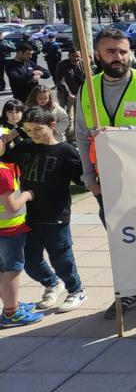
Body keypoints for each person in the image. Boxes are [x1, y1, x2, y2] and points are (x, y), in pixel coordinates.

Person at [74, 28, 136, 321]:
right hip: (108, 183)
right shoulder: (87, 89)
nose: (118, 57)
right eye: (110, 51)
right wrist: (88, 178)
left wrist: (124, 133)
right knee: (123, 241)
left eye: (122, 51)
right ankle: (131, 289)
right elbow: (81, 136)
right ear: (96, 54)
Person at [2, 107, 85, 313]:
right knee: (30, 261)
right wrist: (15, 134)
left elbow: (81, 179)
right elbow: (3, 155)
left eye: (38, 129)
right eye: (28, 130)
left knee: (61, 257)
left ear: (52, 125)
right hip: (30, 216)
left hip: (56, 215)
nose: (33, 134)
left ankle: (76, 290)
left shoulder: (65, 151)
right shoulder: (26, 146)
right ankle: (52, 284)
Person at [0, 135, 39, 328]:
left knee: (2, 270)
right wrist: (27, 194)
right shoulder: (3, 172)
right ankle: (11, 313)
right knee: (12, 270)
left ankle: (10, 305)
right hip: (9, 230)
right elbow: (12, 206)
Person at [54, 51, 85, 144]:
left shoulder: (83, 64)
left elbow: (88, 77)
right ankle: (70, 138)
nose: (76, 58)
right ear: (69, 56)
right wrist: (68, 94)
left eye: (78, 56)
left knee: (79, 116)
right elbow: (60, 81)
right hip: (66, 93)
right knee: (69, 116)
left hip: (79, 93)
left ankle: (76, 135)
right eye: (73, 56)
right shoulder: (62, 65)